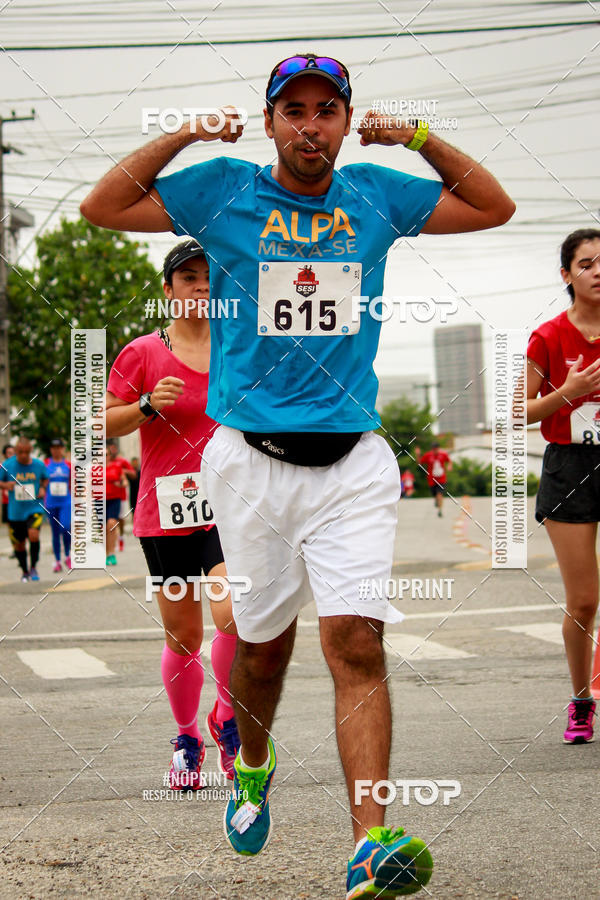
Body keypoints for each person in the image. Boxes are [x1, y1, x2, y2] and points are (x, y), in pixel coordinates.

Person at [81, 52, 514, 898]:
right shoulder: (223, 189)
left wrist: (421, 137)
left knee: (356, 640)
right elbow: (104, 206)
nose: (309, 126)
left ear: (348, 123)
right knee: (264, 652)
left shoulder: (379, 196)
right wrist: (181, 132)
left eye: (327, 111)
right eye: (294, 111)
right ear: (271, 120)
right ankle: (253, 761)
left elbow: (493, 206)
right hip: (251, 465)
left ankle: (370, 842)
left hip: (352, 460)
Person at [105, 240, 239, 786]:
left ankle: (228, 719)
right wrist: (143, 407)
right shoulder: (141, 353)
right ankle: (188, 738)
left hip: (231, 508)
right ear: (167, 289)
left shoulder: (241, 346)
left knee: (236, 615)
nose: (201, 286)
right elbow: (98, 423)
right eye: (187, 277)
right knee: (183, 637)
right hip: (166, 511)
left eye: (209, 276)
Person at [527, 227, 600, 745]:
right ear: (567, 275)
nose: (598, 272)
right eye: (587, 263)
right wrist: (569, 391)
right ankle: (580, 700)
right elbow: (517, 411)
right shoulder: (549, 336)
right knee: (584, 602)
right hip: (569, 469)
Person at [0, 437, 48, 582]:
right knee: (19, 544)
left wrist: (43, 488)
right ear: (15, 451)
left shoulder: (39, 465)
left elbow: (45, 478)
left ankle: (33, 567)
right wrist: (6, 486)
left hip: (34, 507)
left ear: (30, 451)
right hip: (16, 512)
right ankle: (24, 570)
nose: (23, 455)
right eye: (20, 452)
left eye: (26, 452)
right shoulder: (8, 465)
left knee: (33, 535)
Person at [105, 439, 134, 565]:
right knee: (103, 528)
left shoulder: (118, 465)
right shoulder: (94, 469)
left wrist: (122, 483)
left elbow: (128, 479)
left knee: (113, 523)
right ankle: (106, 553)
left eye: (106, 454)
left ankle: (112, 551)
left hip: (116, 498)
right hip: (99, 500)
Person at [44, 438, 72, 572]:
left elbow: (75, 482)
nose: (57, 450)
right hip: (50, 502)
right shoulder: (45, 464)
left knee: (66, 527)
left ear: (62, 449)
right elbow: (41, 480)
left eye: (59, 447)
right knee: (55, 532)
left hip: (65, 502)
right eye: (54, 448)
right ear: (51, 450)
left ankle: (67, 555)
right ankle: (57, 561)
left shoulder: (68, 464)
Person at [416, 442, 452, 516]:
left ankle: (440, 510)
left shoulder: (443, 455)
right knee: (435, 494)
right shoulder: (428, 455)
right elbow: (420, 463)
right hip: (431, 479)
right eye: (434, 449)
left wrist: (449, 466)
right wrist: (418, 454)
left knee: (440, 494)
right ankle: (436, 500)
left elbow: (449, 461)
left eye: (436, 449)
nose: (435, 450)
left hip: (441, 478)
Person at [2, 443, 15, 526]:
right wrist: (7, 485)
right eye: (9, 453)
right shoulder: (2, 467)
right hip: (7, 500)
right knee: (10, 526)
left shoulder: (19, 467)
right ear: (5, 455)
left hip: (18, 500)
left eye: (13, 453)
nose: (12, 456)